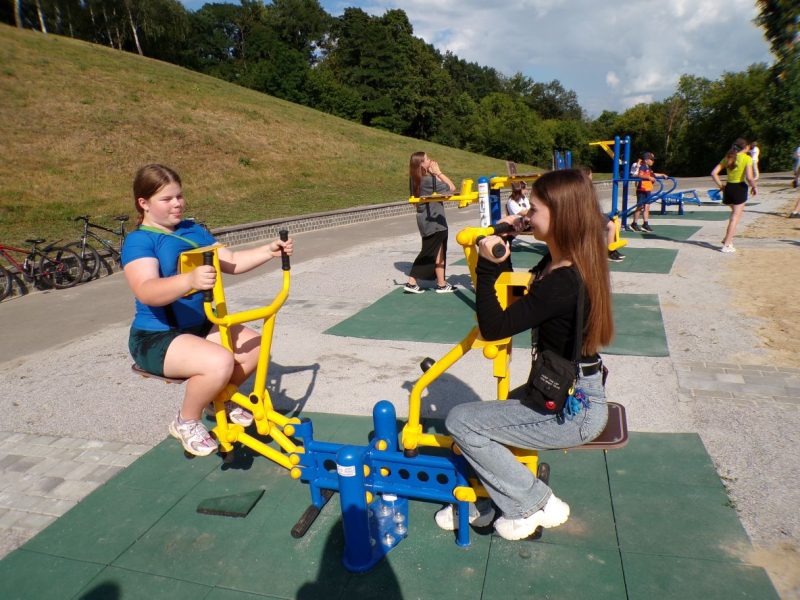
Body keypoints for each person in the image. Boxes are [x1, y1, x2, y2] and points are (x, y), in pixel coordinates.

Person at [434, 169, 614, 540]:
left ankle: (535, 502)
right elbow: (522, 303)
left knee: (462, 422)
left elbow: (495, 326)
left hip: (572, 411)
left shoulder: (563, 280)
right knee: (497, 412)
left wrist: (485, 267)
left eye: (532, 209)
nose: (526, 216)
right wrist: (504, 235)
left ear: (561, 216)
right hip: (564, 390)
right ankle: (491, 500)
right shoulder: (564, 263)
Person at [121, 164, 294, 456]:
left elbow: (232, 262)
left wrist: (269, 251)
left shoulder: (193, 230)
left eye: (179, 196)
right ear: (144, 203)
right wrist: (188, 280)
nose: (177, 204)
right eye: (167, 199)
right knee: (219, 362)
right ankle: (186, 420)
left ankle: (221, 398)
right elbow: (146, 289)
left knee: (254, 345)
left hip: (199, 325)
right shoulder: (140, 241)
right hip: (156, 336)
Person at [404, 152, 457, 294]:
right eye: (427, 159)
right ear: (421, 164)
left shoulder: (415, 179)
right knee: (428, 252)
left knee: (439, 252)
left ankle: (441, 283)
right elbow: (451, 188)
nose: (431, 160)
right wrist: (439, 173)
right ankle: (411, 282)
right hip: (434, 221)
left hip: (428, 219)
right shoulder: (428, 180)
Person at [711, 138, 758, 253]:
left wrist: (721, 186)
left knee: (735, 215)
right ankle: (727, 244)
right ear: (746, 147)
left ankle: (728, 240)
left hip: (728, 188)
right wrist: (754, 187)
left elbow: (713, 173)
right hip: (739, 188)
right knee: (735, 218)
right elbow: (749, 177)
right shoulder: (747, 159)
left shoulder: (728, 157)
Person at [629, 152, 666, 233]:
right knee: (640, 207)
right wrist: (649, 177)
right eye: (651, 160)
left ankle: (645, 224)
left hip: (648, 190)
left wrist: (662, 175)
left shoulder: (648, 168)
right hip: (642, 189)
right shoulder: (642, 167)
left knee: (647, 207)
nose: (653, 161)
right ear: (646, 160)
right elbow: (640, 175)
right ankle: (634, 224)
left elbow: (653, 174)